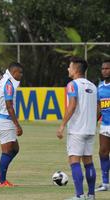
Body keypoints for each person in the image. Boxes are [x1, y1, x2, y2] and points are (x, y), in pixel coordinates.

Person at [57, 57, 97, 200]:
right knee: (88, 162)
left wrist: (62, 125)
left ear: (75, 69)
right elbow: (98, 108)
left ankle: (79, 195)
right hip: (90, 130)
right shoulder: (93, 86)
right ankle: (91, 195)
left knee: (74, 161)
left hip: (77, 130)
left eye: (69, 66)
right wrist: (92, 121)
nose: (68, 69)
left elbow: (72, 105)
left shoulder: (72, 85)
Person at [0, 62, 23, 187]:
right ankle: (2, 181)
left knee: (15, 149)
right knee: (6, 151)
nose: (21, 75)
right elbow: (9, 106)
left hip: (3, 119)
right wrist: (17, 125)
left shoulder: (3, 81)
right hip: (5, 120)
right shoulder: (8, 85)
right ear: (14, 72)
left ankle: (0, 173)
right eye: (20, 73)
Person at [95, 60, 110, 192]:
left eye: (108, 68)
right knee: (103, 152)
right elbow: (99, 106)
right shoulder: (99, 87)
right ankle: (105, 183)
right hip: (105, 125)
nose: (105, 70)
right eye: (103, 68)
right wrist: (93, 121)